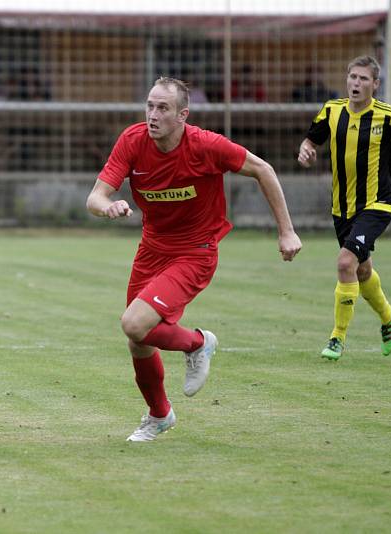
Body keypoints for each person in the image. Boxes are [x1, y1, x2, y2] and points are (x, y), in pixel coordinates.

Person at [86, 77, 301, 442]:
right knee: (138, 340)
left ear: (183, 115)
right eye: (150, 106)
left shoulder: (206, 146)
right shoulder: (133, 140)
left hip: (195, 251)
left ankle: (198, 343)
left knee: (134, 323)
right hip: (152, 249)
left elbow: (263, 169)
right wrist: (110, 206)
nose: (152, 115)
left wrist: (286, 231)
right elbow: (95, 197)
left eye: (163, 108)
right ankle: (159, 415)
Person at [298, 55, 391, 361]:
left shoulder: (389, 116)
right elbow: (311, 140)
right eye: (353, 77)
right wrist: (306, 150)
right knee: (361, 269)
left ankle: (337, 337)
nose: (356, 83)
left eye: (363, 79)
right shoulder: (332, 110)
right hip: (342, 207)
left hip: (378, 203)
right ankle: (389, 317)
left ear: (375, 84)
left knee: (345, 263)